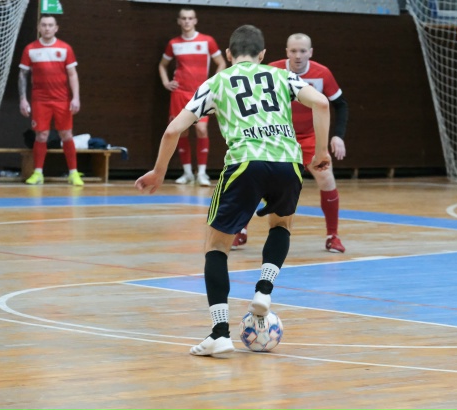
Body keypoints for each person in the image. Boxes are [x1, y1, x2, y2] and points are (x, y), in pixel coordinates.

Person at [135, 25, 331, 357]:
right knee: (281, 226)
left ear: (228, 54)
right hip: (288, 162)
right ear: (263, 55)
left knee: (216, 246)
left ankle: (220, 333)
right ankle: (264, 291)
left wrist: (159, 171)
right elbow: (322, 103)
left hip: (245, 163)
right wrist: (321, 151)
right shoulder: (281, 75)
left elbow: (172, 131)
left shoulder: (216, 82)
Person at [232, 33, 348, 253]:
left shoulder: (322, 74)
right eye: (293, 51)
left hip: (309, 138)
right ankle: (240, 230)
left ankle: (333, 236)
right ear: (287, 52)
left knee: (326, 177)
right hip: (278, 136)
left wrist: (338, 135)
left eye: (302, 51)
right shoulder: (272, 71)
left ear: (310, 53)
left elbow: (340, 104)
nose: (298, 56)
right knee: (256, 179)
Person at [159, 7, 227, 186]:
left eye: (190, 18)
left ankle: (202, 173)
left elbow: (221, 63)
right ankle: (187, 173)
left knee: (201, 129)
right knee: (181, 131)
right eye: (184, 18)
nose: (187, 21)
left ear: (195, 20)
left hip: (200, 94)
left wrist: (213, 83)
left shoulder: (207, 41)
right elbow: (162, 65)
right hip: (179, 93)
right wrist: (166, 82)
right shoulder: (174, 43)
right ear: (179, 21)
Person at [18, 14, 83, 186]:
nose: (47, 28)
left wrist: (76, 97)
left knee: (66, 134)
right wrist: (23, 99)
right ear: (39, 28)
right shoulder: (30, 49)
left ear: (56, 28)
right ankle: (38, 173)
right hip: (40, 100)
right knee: (41, 135)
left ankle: (73, 173)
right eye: (44, 25)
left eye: (50, 25)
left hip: (62, 100)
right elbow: (23, 75)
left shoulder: (65, 48)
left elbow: (72, 74)